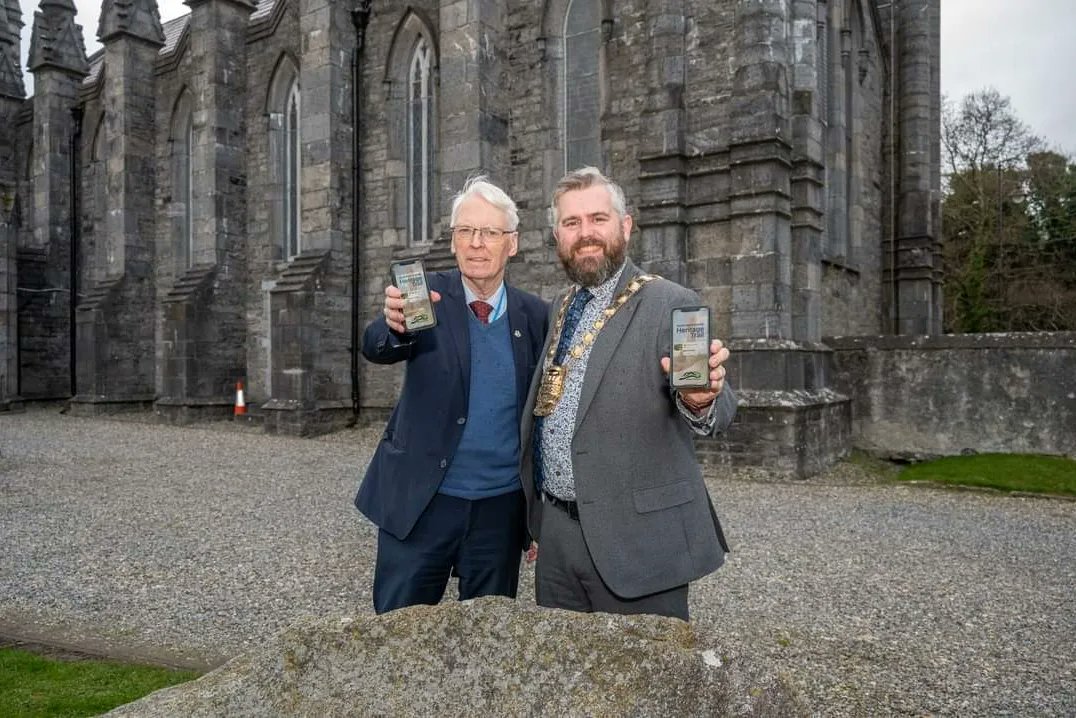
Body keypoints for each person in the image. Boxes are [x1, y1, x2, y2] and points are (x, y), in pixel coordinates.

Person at [521, 166, 737, 621]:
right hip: (558, 538)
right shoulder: (561, 305)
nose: (586, 234)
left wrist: (701, 399)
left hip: (637, 543)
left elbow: (715, 402)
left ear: (625, 225)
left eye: (598, 219)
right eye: (571, 223)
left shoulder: (671, 302)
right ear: (557, 235)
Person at [356, 176, 548, 614]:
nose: (476, 243)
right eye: (465, 231)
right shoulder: (427, 297)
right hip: (422, 503)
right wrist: (393, 327)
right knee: (397, 637)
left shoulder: (535, 315)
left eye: (489, 233)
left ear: (512, 244)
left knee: (487, 643)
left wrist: (535, 518)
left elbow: (543, 414)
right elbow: (376, 344)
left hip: (499, 512)